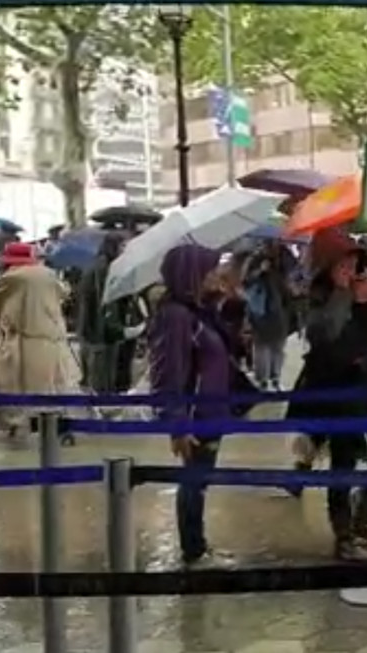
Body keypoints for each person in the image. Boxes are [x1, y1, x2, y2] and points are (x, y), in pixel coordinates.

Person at [287, 227, 367, 560]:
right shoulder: (319, 300)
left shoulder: (363, 294)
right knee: (342, 465)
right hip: (332, 394)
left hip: (365, 391)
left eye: (353, 264)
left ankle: (364, 519)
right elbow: (324, 336)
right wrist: (348, 297)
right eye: (343, 264)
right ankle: (343, 532)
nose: (350, 271)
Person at [149, 244, 235, 569]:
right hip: (196, 414)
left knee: (200, 479)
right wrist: (177, 422)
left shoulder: (198, 312)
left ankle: (197, 545)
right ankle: (193, 550)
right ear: (192, 275)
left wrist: (222, 300)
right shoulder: (176, 316)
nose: (216, 274)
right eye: (209, 269)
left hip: (212, 411)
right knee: (193, 480)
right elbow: (169, 370)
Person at [0, 243, 76, 440]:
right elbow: (64, 295)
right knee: (50, 386)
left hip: (22, 343)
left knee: (16, 386)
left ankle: (18, 426)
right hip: (51, 342)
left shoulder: (13, 278)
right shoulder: (49, 275)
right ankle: (54, 427)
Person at [75, 233, 143, 395]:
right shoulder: (104, 268)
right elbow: (105, 302)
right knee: (104, 379)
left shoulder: (103, 266)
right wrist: (119, 329)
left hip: (101, 331)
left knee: (105, 377)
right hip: (103, 334)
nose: (125, 250)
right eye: (122, 246)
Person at [242, 240, 293, 390]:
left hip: (280, 308)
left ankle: (275, 378)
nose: (274, 245)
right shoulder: (255, 259)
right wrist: (260, 270)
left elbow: (292, 276)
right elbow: (245, 281)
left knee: (278, 346)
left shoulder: (285, 257)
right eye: (271, 243)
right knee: (262, 347)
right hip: (261, 310)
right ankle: (263, 380)